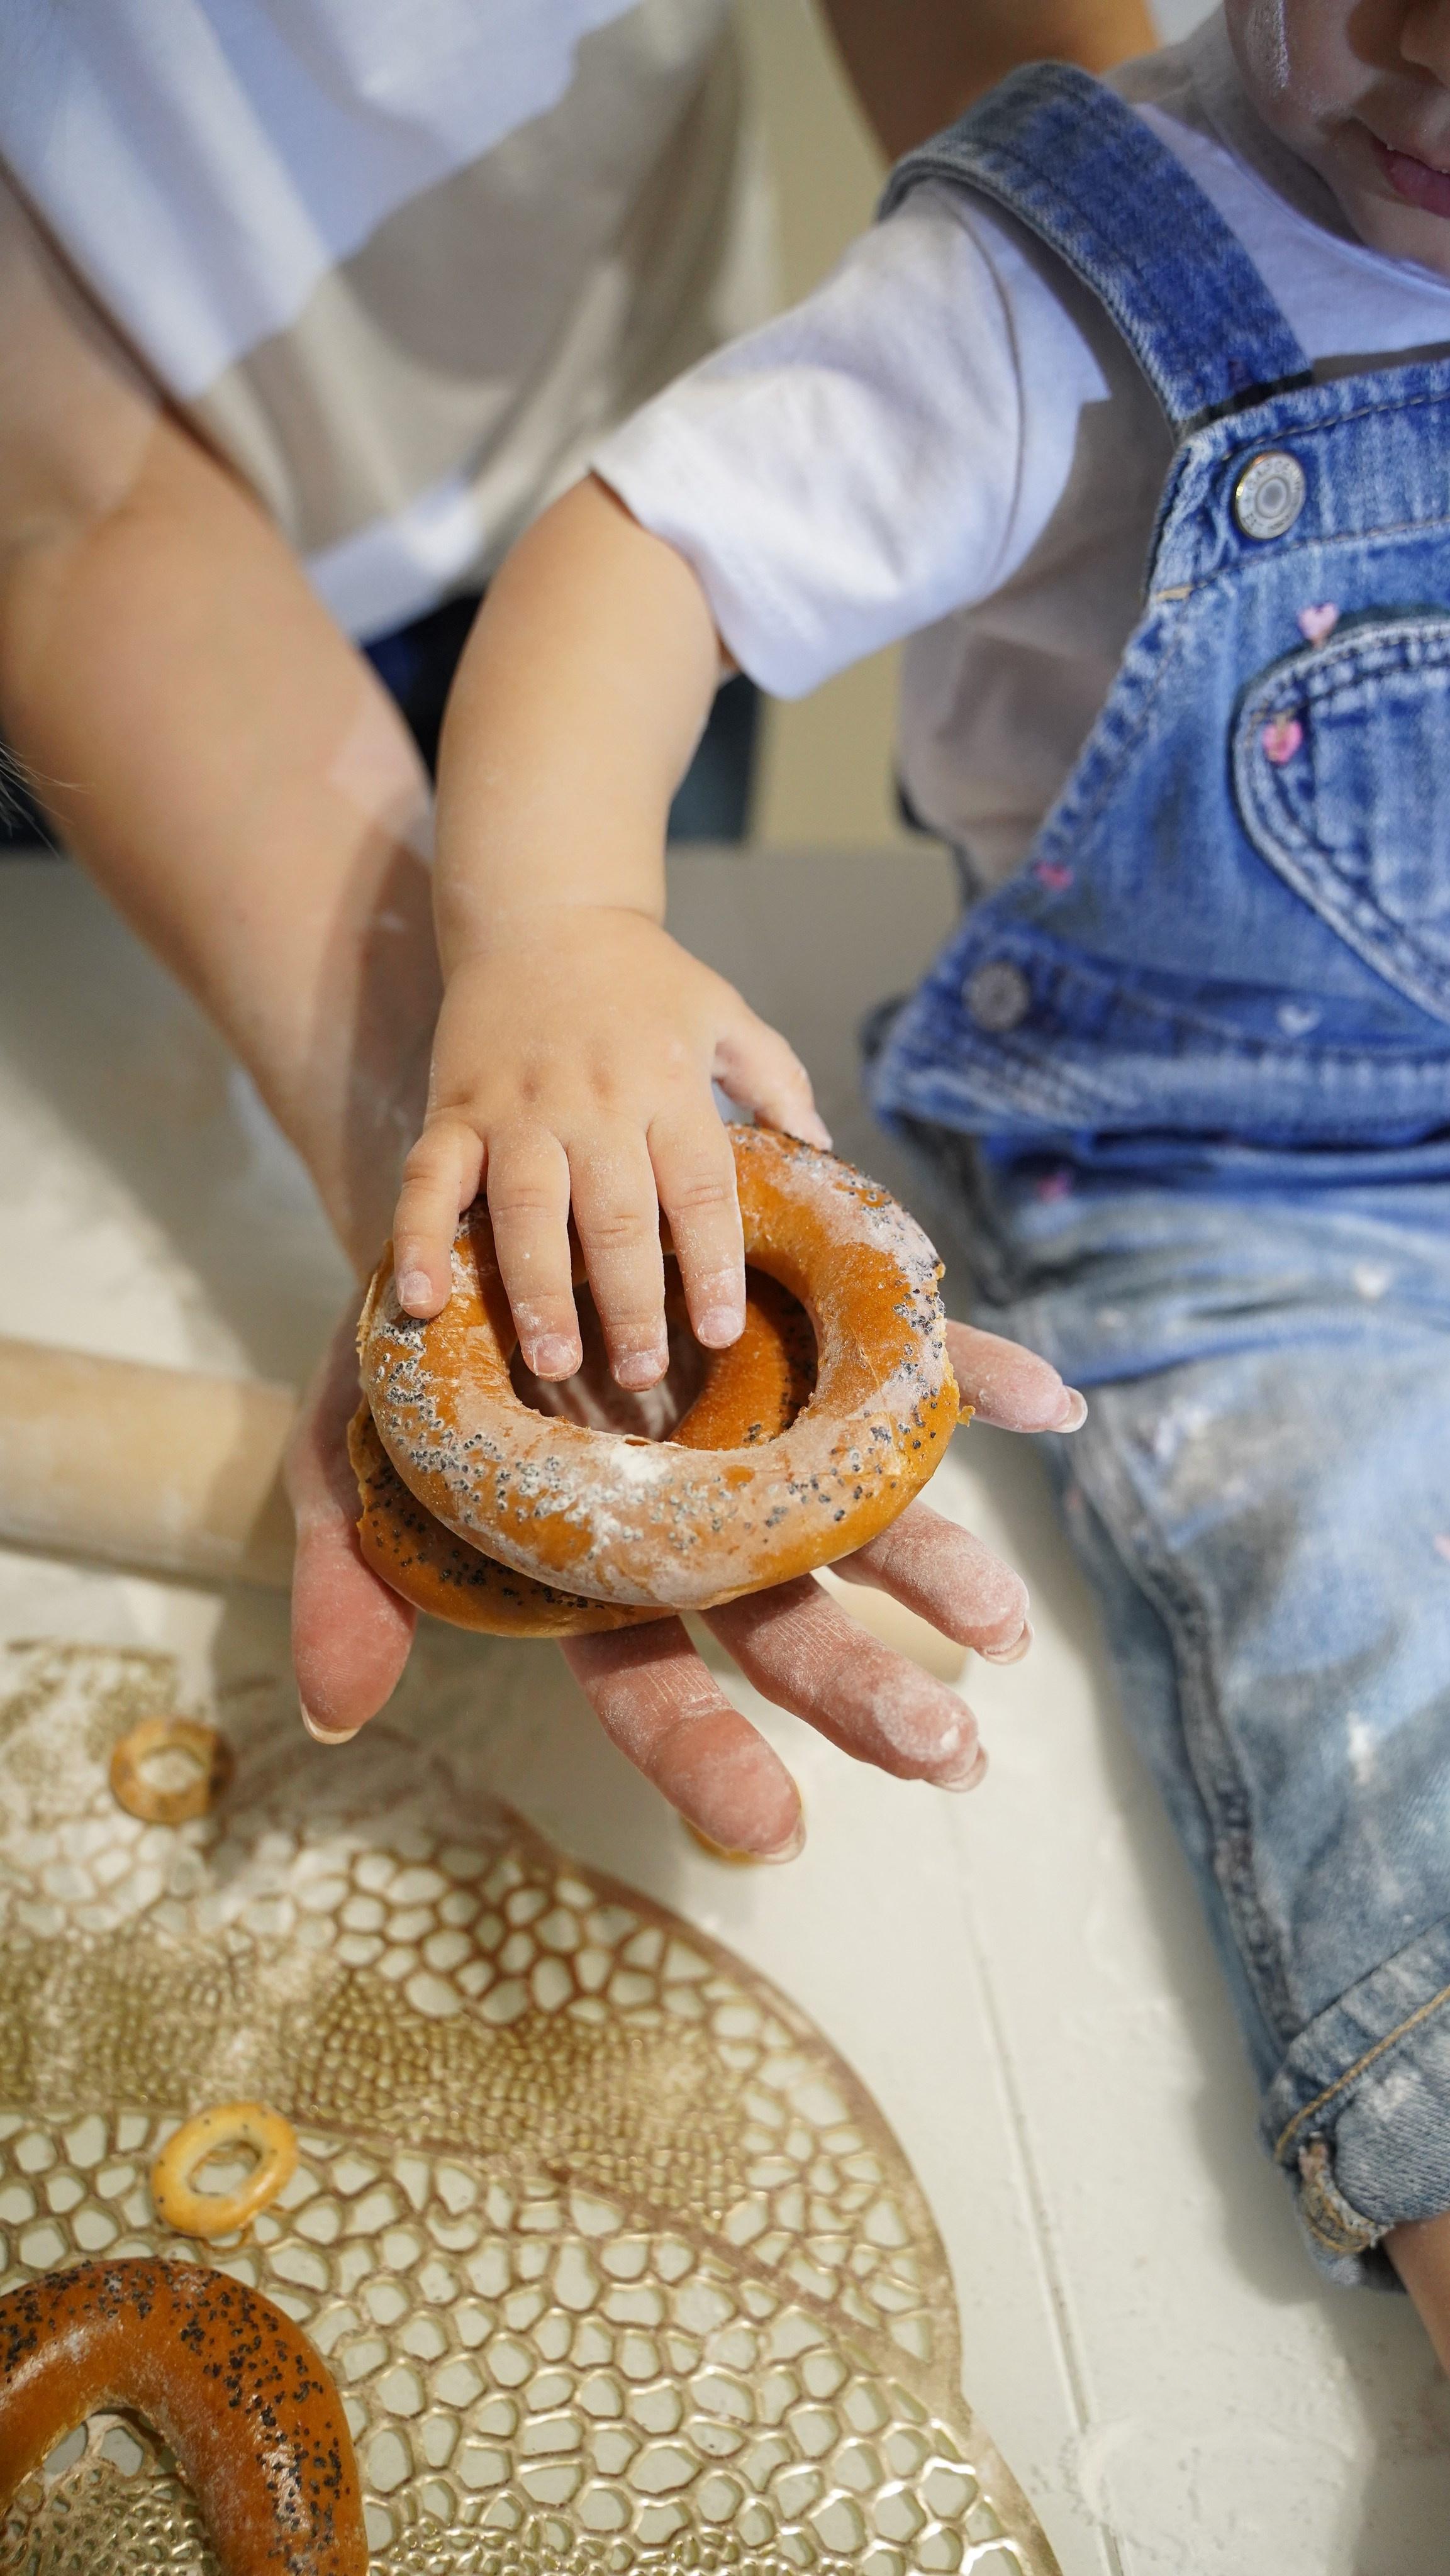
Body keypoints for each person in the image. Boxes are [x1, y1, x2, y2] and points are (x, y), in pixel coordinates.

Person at [367, 0, 1450, 2359]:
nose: (1434, 84)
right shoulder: (1055, 286)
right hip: (1218, 1186)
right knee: (1393, 1660)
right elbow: (644, 556)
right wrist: (555, 926)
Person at [0, 13, 1145, 1852]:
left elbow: (1027, 100)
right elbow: (66, 498)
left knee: (623, 1017)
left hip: (645, 522)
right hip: (122, 600)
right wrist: (420, 1084)